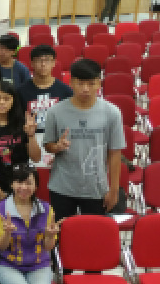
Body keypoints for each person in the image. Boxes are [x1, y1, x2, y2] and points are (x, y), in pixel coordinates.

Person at [43, 58, 125, 220]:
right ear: (71, 83)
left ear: (99, 83)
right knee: (61, 231)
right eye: (80, 83)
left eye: (91, 83)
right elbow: (48, 145)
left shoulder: (112, 112)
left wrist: (114, 189)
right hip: (62, 186)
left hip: (96, 187)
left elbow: (115, 153)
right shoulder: (55, 112)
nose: (85, 89)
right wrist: (56, 147)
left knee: (93, 233)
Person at [17, 45, 73, 139]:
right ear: (32, 63)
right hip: (30, 139)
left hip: (57, 139)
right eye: (39, 60)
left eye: (47, 60)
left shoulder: (66, 91)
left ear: (54, 63)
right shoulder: (20, 91)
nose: (43, 64)